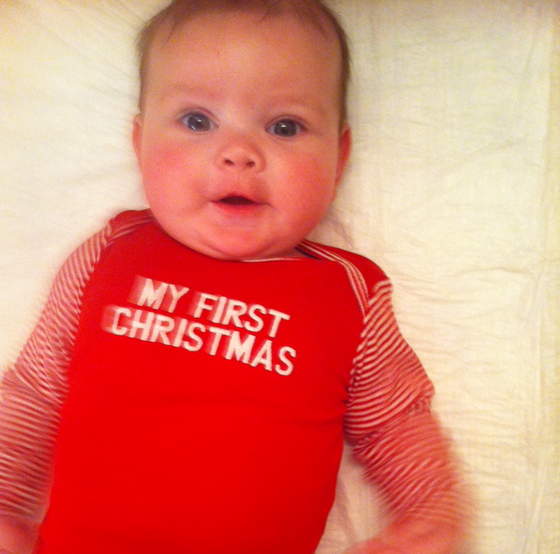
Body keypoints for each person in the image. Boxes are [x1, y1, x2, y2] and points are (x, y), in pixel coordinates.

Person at [0, 1, 468, 552]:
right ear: (140, 143)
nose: (238, 153)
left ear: (338, 157)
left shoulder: (346, 294)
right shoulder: (110, 254)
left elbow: (394, 420)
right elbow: (35, 389)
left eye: (285, 126)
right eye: (197, 121)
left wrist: (429, 513)